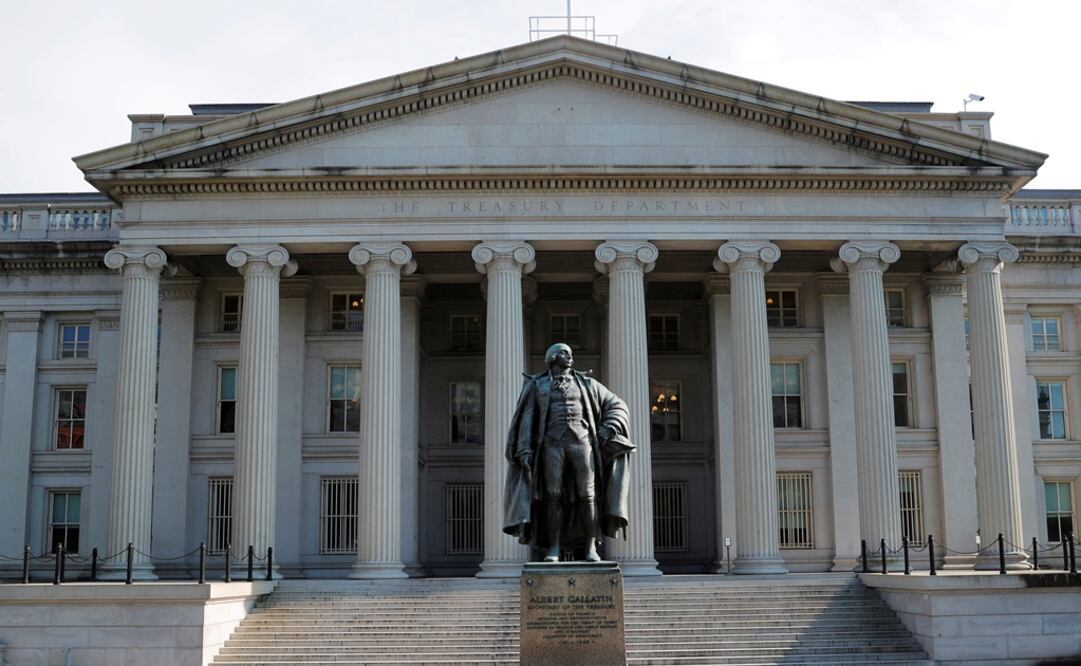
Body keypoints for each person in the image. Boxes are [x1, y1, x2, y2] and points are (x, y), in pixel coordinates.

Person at [502, 343, 634, 562]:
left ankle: (591, 548)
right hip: (551, 445)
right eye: (565, 353)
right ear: (553, 357)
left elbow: (618, 405)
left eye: (571, 353)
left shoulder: (588, 384)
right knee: (552, 496)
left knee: (588, 496)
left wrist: (608, 427)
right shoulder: (538, 385)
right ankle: (553, 548)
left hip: (583, 444)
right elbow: (527, 417)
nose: (570, 356)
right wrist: (524, 447)